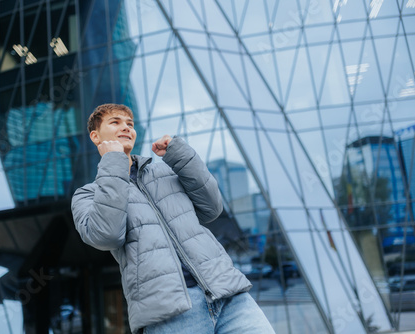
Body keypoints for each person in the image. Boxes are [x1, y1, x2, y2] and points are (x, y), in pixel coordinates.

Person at [71, 103, 275, 334]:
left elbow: (211, 208)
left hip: (229, 296)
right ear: (95, 136)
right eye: (115, 122)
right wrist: (113, 162)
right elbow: (106, 235)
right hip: (169, 314)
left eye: (130, 124)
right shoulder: (88, 194)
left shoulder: (165, 172)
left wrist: (181, 156)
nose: (126, 128)